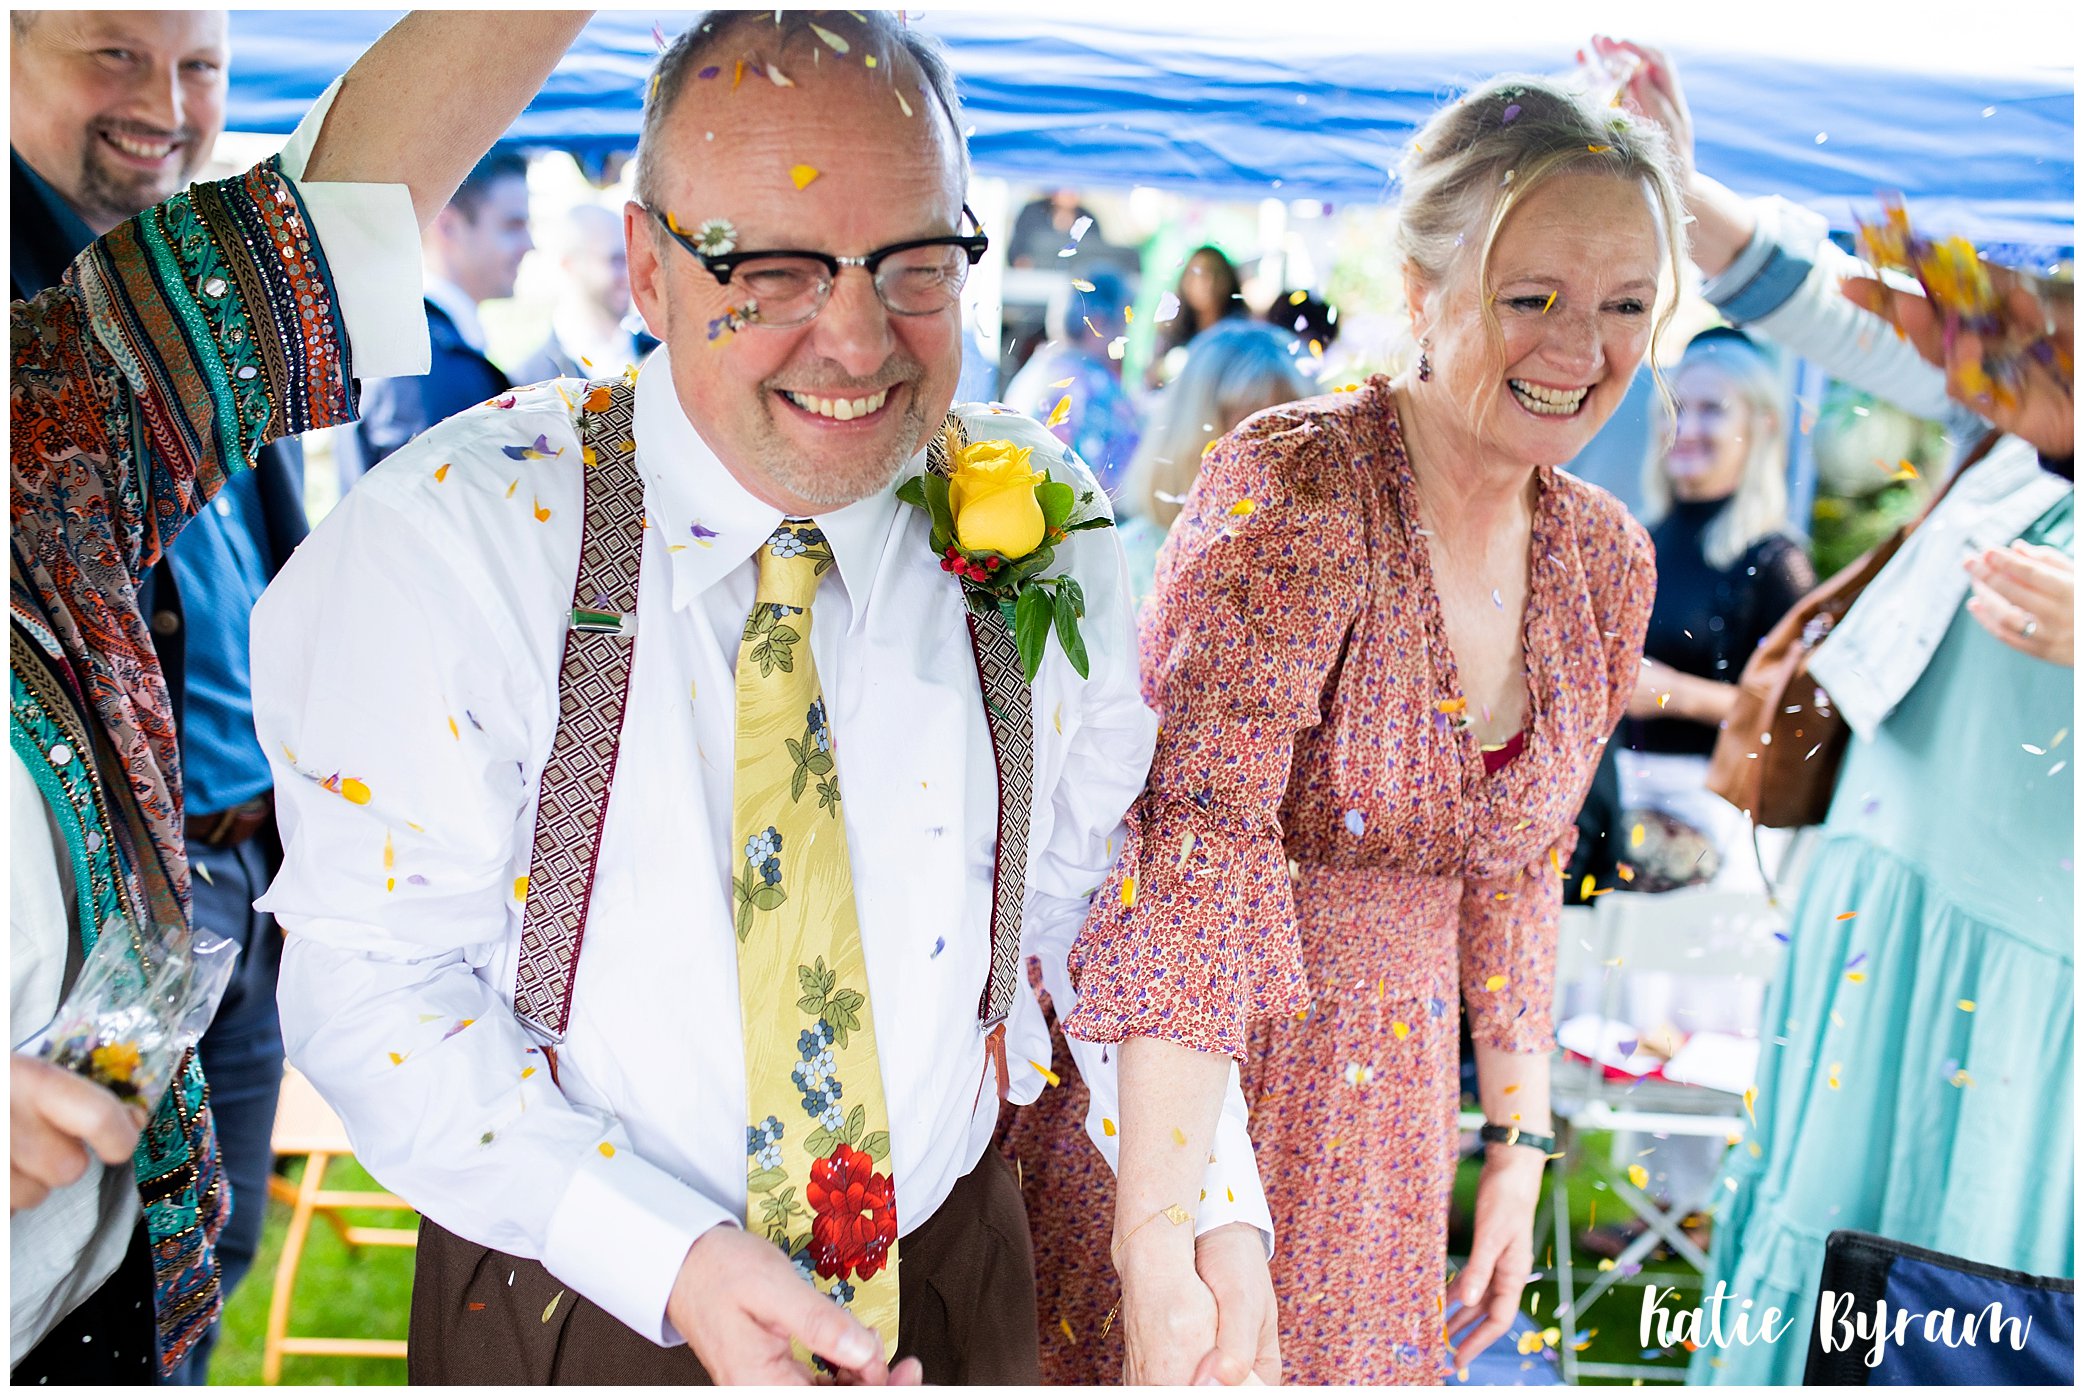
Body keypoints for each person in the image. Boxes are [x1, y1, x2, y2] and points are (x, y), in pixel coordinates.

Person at [252, 11, 1275, 1386]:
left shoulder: (1042, 515)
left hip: (955, 1279)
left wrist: (1202, 1212)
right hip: (582, 1297)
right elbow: (372, 986)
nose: (856, 341)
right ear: (647, 267)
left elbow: (1092, 912)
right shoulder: (461, 535)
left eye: (915, 264)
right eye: (776, 267)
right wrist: (661, 1251)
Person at [1063, 75, 1684, 1384]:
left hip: (1397, 1126)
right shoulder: (1300, 484)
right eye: (1532, 297)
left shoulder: (1606, 563)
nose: (1583, 347)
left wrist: (1515, 1150)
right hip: (1210, 1094)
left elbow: (1520, 866)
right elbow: (1193, 848)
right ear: (1420, 288)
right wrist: (1164, 1232)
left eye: (1627, 305)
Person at [9, 9, 591, 1381]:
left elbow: (334, 214)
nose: (164, 101)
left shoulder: (39, 419)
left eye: (197, 67)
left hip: (90, 1293)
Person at [1599, 35, 2074, 1384]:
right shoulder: (2025, 415)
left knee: (1948, 1309)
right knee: (1821, 1276)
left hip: (2021, 985)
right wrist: (1682, 190)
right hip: (1874, 920)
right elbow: (1856, 316)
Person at [8, 15, 325, 1379]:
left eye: (198, 66)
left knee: (203, 1252)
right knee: (102, 1270)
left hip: (244, 889)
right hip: (112, 912)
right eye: (116, 55)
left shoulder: (203, 291)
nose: (166, 103)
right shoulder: (40, 319)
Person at [1621, 326, 1816, 892]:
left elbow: (1802, 715)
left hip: (1718, 819)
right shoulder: (1633, 540)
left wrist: (1675, 695)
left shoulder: (1777, 562)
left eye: (1712, 410)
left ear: (1763, 427)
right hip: (1622, 805)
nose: (1685, 427)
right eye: (1675, 408)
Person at [350, 149, 534, 473]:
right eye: (511, 226)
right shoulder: (416, 359)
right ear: (448, 227)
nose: (529, 244)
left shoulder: (431, 342)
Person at [1114, 319, 1312, 604]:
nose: (1280, 448)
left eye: (1294, 426)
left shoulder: (1308, 559)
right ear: (1193, 433)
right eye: (1254, 426)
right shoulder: (1134, 563)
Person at [1001, 267, 1143, 500]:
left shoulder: (1031, 373)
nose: (1124, 338)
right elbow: (1114, 490)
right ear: (1097, 323)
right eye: (1123, 324)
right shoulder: (1094, 388)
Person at [514, 201, 658, 383]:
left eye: (631, 260)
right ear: (570, 264)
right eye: (615, 260)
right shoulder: (531, 379)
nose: (630, 275)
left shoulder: (662, 358)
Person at [1147, 244, 1247, 388]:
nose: (1208, 283)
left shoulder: (1242, 335)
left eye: (1216, 273)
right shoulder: (1170, 331)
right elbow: (1151, 380)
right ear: (1185, 281)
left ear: (1230, 280)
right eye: (1199, 274)